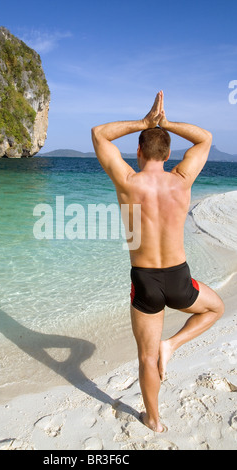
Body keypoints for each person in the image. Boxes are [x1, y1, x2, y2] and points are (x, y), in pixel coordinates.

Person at [91, 91, 224, 433]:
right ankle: (173, 343)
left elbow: (99, 133)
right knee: (215, 309)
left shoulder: (127, 181)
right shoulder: (181, 179)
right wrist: (166, 123)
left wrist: (145, 122)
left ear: (137, 152)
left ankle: (153, 420)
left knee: (147, 358)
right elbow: (205, 138)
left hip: (145, 281)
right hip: (180, 279)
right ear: (168, 154)